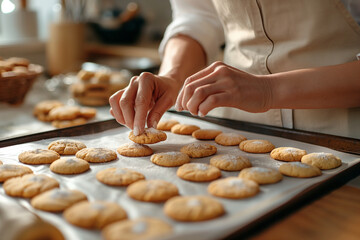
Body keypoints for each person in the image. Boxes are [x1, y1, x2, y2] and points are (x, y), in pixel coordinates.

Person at [109, 0, 360, 138]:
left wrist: (268, 90)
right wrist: (172, 76)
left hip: (344, 137)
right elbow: (198, 16)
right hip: (238, 130)